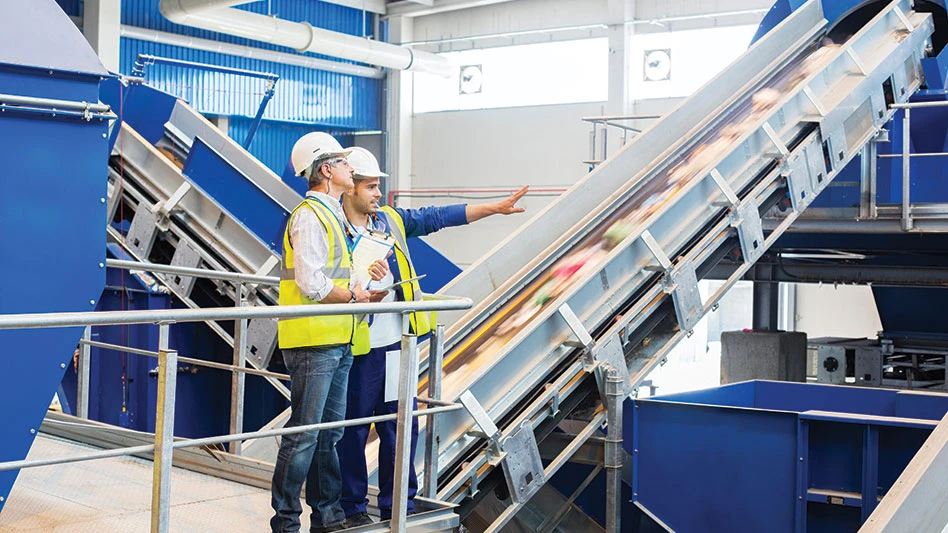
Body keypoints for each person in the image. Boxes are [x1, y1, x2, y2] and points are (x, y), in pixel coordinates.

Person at [337, 146, 529, 527]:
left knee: (398, 428)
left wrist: (494, 208)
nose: (378, 194)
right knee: (352, 431)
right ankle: (352, 510)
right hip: (357, 348)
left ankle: (400, 507)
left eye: (378, 187)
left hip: (396, 345)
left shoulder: (388, 220)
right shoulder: (332, 226)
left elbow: (437, 217)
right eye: (371, 187)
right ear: (349, 187)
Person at [271, 133, 390, 533]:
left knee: (329, 433)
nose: (349, 170)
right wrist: (353, 296)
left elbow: (336, 273)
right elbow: (311, 282)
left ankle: (327, 516)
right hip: (312, 340)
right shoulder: (308, 215)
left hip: (337, 337)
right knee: (304, 435)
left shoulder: (333, 215)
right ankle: (286, 522)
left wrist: (363, 281)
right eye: (342, 164)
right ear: (326, 171)